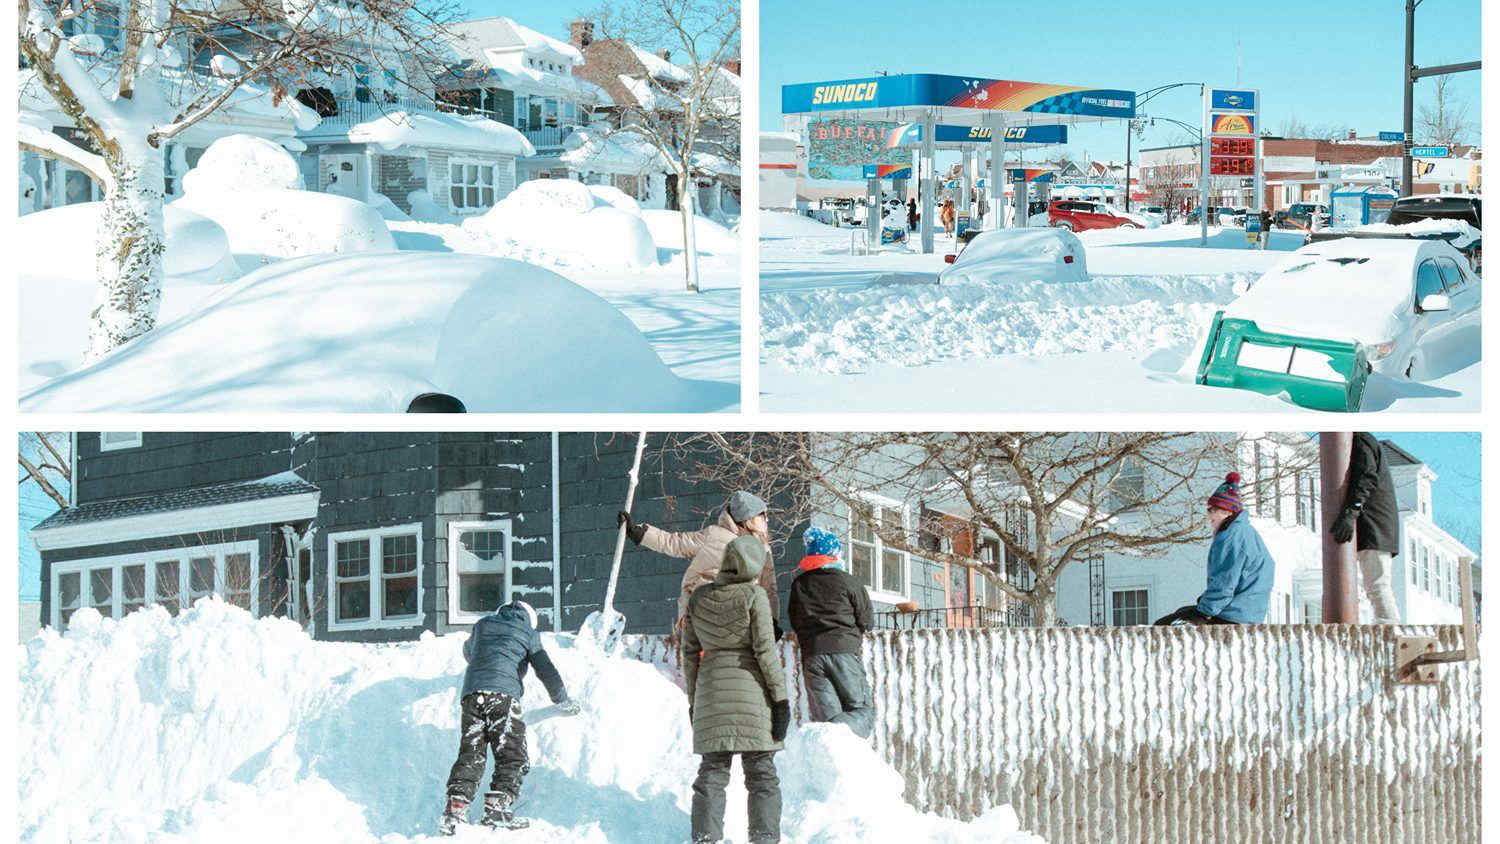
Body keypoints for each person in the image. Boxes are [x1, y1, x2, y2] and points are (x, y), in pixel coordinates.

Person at [682, 535, 790, 844]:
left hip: (711, 695)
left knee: (712, 775)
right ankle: (764, 838)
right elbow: (766, 653)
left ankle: (705, 838)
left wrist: (693, 701)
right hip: (752, 697)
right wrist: (780, 700)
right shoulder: (754, 597)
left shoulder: (698, 598)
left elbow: (689, 655)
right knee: (762, 776)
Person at [440, 600, 580, 835]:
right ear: (529, 618)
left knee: (471, 753)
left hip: (472, 695)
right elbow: (545, 669)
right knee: (512, 755)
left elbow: (468, 651)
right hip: (503, 697)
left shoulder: (483, 625)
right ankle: (497, 807)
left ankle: (456, 809)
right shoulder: (528, 633)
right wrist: (562, 700)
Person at [618, 491, 779, 634]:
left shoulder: (763, 549)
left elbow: (768, 589)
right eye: (762, 515)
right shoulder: (714, 536)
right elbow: (675, 543)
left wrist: (771, 624)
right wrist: (638, 533)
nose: (766, 520)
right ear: (749, 518)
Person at [786, 527, 874, 738]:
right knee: (863, 712)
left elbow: (794, 620)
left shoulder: (799, 584)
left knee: (826, 718)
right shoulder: (848, 581)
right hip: (844, 653)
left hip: (812, 657)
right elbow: (867, 621)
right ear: (834, 554)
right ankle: (832, 732)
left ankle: (830, 736)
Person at [1157, 472, 1274, 624]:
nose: (1209, 515)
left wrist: (1204, 611)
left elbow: (1225, 583)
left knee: (1165, 626)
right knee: (1182, 613)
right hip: (1248, 611)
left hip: (1234, 614)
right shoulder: (1245, 532)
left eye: (1214, 510)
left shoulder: (1231, 537)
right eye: (1208, 510)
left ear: (1228, 512)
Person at [1330, 433, 1401, 623]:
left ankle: (1390, 630)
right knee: (1373, 585)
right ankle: (1386, 627)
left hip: (1374, 525)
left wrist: (1352, 511)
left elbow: (1366, 477)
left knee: (1377, 585)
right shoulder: (1362, 440)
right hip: (1375, 526)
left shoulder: (1360, 439)